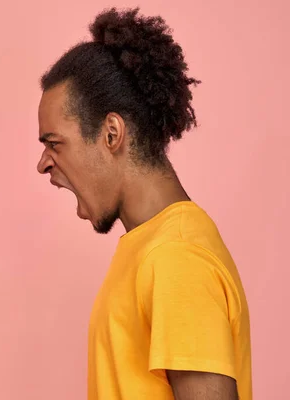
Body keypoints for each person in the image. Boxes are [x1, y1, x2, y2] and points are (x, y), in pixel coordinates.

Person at [36, 7, 251, 400]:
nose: (43, 163)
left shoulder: (176, 258)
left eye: (54, 143)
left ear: (111, 133)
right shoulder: (153, 246)